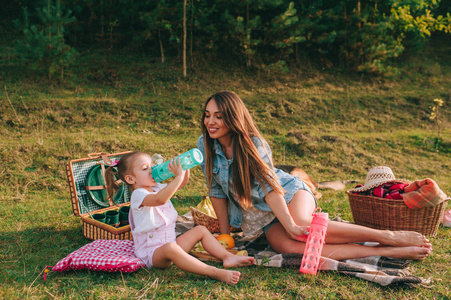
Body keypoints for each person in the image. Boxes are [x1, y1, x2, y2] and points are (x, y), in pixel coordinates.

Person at [197, 91, 433, 261]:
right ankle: (385, 251)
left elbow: (270, 188)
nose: (211, 122)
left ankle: (389, 236)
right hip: (261, 215)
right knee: (288, 247)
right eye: (207, 115)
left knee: (300, 225)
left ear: (233, 117)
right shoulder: (204, 146)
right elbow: (217, 192)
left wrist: (289, 224)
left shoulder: (253, 144)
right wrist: (225, 235)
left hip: (287, 194)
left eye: (218, 116)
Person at [105, 151, 254, 284]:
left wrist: (184, 167)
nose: (152, 170)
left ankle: (227, 257)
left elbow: (181, 183)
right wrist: (178, 176)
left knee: (200, 230)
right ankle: (214, 272)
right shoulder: (138, 195)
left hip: (172, 244)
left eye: (152, 165)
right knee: (171, 248)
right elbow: (159, 200)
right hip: (153, 254)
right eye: (145, 169)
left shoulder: (156, 187)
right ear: (131, 179)